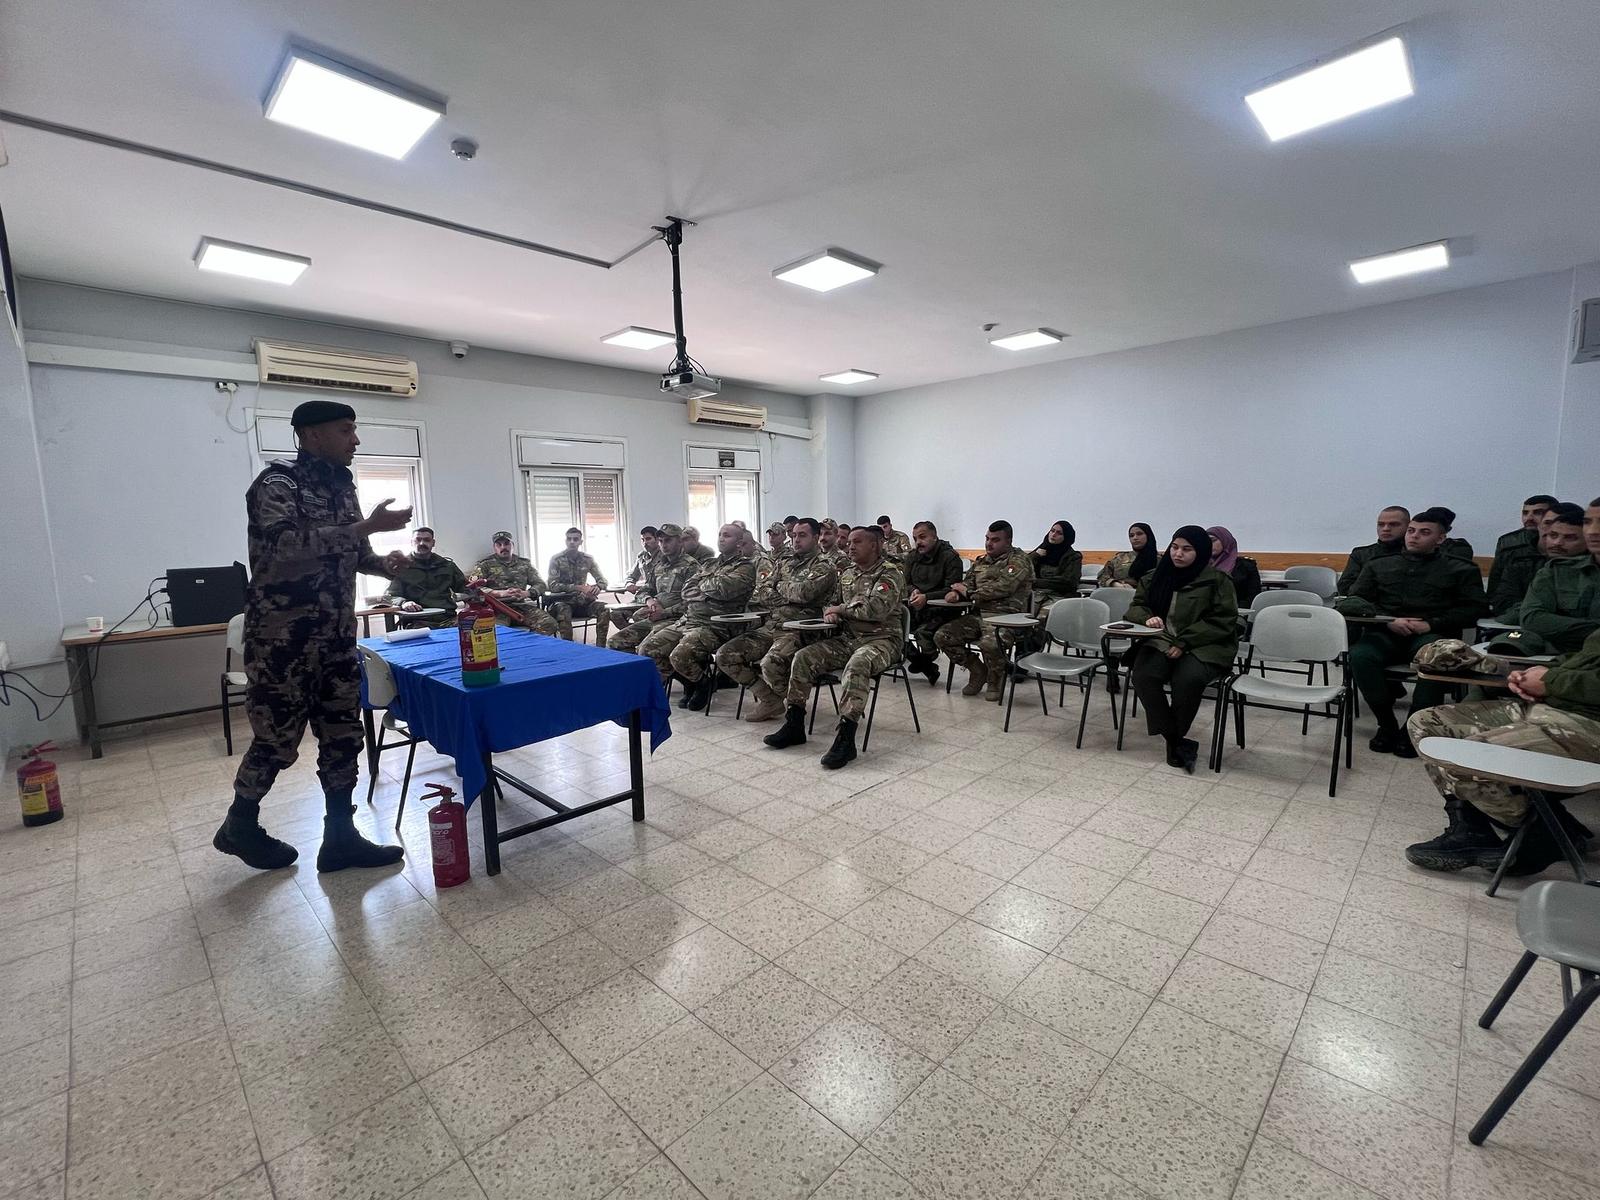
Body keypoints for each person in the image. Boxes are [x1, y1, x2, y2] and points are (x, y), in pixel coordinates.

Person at [215, 399, 409, 873]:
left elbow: (355, 551)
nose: (355, 440)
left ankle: (340, 837)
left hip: (336, 636)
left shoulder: (342, 486)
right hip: (283, 641)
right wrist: (365, 526)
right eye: (346, 430)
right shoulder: (277, 483)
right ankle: (239, 825)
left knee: (343, 735)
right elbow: (283, 547)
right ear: (312, 434)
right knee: (276, 740)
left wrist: (384, 564)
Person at [1404, 626, 1600, 877]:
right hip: (1549, 706)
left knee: (1467, 756)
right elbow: (1584, 659)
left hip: (1586, 725)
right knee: (1426, 724)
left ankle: (1546, 831)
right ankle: (1472, 828)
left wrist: (1550, 681)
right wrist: (1534, 674)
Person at [1337, 507, 1491, 756]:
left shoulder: (1460, 569)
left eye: (1424, 532)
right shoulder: (1379, 565)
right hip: (1386, 632)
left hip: (1431, 634)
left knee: (1437, 659)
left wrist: (1431, 624)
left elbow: (1475, 609)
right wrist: (1388, 620)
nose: (1414, 536)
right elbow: (1356, 600)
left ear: (1440, 538)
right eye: (1411, 531)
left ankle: (1412, 728)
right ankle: (1386, 724)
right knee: (1360, 656)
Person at [764, 525, 906, 768]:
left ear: (874, 545)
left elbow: (876, 609)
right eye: (849, 542)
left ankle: (846, 737)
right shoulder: (848, 574)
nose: (850, 547)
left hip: (882, 640)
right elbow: (830, 602)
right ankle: (794, 724)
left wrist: (840, 610)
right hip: (848, 639)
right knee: (804, 657)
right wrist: (829, 613)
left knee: (857, 665)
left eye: (857, 542)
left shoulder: (890, 573)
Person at [1123, 526, 1240, 773]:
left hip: (1205, 644)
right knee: (1144, 675)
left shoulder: (1217, 580)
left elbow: (1223, 621)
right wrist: (1146, 618)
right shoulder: (1154, 577)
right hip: (1162, 640)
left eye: (1187, 549)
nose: (1178, 554)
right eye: (1175, 547)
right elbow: (1136, 607)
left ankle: (1173, 744)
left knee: (1188, 679)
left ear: (1201, 552)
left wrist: (1184, 642)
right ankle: (1175, 739)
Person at [716, 517, 839, 721]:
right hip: (773, 626)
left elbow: (804, 593)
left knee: (770, 663)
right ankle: (770, 700)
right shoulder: (784, 562)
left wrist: (779, 586)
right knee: (725, 655)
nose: (796, 540)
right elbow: (763, 591)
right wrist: (786, 592)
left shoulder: (824, 565)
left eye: (802, 535)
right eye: (794, 535)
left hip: (800, 630)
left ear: (816, 537)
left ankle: (794, 709)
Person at [639, 524, 756, 709]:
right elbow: (687, 589)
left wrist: (702, 587)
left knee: (679, 655)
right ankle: (695, 682)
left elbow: (724, 589)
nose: (721, 538)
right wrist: (707, 589)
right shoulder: (709, 564)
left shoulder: (746, 567)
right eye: (720, 534)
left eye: (727, 535)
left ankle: (701, 683)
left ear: (739, 542)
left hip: (716, 626)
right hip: (688, 620)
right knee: (647, 650)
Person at [934, 519, 1034, 700]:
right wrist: (956, 593)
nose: (989, 543)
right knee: (943, 636)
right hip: (978, 616)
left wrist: (969, 593)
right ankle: (977, 669)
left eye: (995, 540)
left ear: (1008, 541)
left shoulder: (1019, 560)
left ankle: (995, 680)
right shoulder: (981, 561)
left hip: (1006, 618)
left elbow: (1004, 587)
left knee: (990, 643)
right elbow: (967, 583)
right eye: (987, 538)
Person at [1519, 498, 1600, 653]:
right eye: (1587, 522)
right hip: (1561, 656)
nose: (1593, 531)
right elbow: (1532, 619)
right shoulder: (1557, 569)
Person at [1489, 502, 1584, 623]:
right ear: (1539, 525)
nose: (1554, 529)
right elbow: (1501, 603)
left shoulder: (1591, 567)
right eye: (1548, 523)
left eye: (1569, 536)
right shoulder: (1519, 561)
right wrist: (1536, 610)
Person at [608, 524, 691, 652]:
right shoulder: (660, 566)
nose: (664, 545)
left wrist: (664, 612)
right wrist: (649, 600)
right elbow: (644, 589)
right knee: (614, 642)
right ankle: (637, 665)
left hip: (676, 619)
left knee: (645, 649)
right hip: (655, 615)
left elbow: (692, 604)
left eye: (668, 540)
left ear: (680, 541)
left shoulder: (691, 566)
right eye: (661, 541)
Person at [904, 520, 965, 682]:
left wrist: (927, 598)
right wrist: (913, 590)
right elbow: (905, 583)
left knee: (922, 633)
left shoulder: (950, 557)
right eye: (915, 538)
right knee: (894, 629)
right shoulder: (912, 557)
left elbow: (952, 589)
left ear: (934, 537)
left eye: (922, 537)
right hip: (917, 606)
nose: (918, 542)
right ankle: (926, 665)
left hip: (942, 609)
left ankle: (926, 659)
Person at [469, 531, 560, 635]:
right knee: (495, 633)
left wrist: (527, 593)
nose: (503, 547)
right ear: (494, 547)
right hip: (496, 609)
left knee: (549, 624)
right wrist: (499, 593)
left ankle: (528, 644)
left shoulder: (524, 564)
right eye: (499, 544)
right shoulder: (484, 565)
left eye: (506, 543)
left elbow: (541, 584)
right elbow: (473, 588)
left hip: (520, 607)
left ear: (513, 545)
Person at [382, 527, 466, 627]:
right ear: (411, 542)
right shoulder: (400, 567)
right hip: (417, 621)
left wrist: (468, 606)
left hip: (449, 619)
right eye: (418, 540)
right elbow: (389, 596)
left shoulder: (447, 566)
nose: (422, 543)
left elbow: (467, 589)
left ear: (433, 543)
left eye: (426, 540)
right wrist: (404, 603)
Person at [1487, 495, 1557, 614]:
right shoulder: (1507, 542)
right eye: (1525, 513)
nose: (1529, 518)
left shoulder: (1563, 544)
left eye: (1538, 513)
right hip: (1514, 607)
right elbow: (1494, 587)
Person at [546, 527, 610, 643]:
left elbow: (603, 580)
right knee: (563, 609)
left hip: (581, 603)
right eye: (569, 539)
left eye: (575, 539)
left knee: (604, 608)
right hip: (561, 602)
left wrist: (597, 587)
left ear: (581, 542)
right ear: (565, 541)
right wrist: (578, 587)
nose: (572, 542)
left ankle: (601, 647)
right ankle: (569, 648)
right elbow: (552, 585)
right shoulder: (556, 559)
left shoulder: (587, 559)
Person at [1337, 506, 1409, 594]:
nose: (1386, 529)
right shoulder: (1360, 555)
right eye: (1381, 524)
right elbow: (1345, 588)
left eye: (1393, 524)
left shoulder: (1414, 554)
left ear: (1408, 526)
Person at [1205, 526, 1262, 610]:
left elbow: (1253, 597)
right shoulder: (1201, 565)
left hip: (1237, 612)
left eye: (1213, 540)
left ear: (1225, 541)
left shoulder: (1245, 566)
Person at [1031, 520, 1084, 608]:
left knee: (1044, 613)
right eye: (1052, 531)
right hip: (1036, 594)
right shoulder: (1041, 550)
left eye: (1059, 533)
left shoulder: (1073, 557)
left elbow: (1068, 582)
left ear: (1066, 537)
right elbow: (1023, 566)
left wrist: (1035, 582)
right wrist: (1035, 555)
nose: (1053, 534)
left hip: (1059, 597)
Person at [1097, 523, 1158, 589]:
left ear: (1148, 536)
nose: (1135, 538)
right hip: (1119, 592)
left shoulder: (1159, 560)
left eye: (1139, 534)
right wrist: (1115, 584)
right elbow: (1102, 576)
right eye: (1131, 536)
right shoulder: (1120, 558)